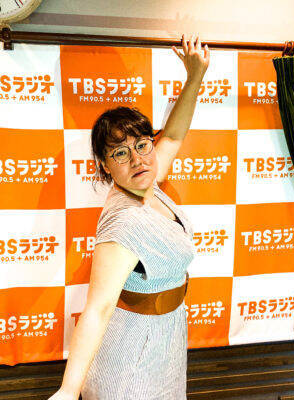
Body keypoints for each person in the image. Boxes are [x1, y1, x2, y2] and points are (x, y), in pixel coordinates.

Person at [49, 34, 210, 400]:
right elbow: (98, 308)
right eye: (120, 153)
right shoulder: (124, 222)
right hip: (132, 353)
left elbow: (174, 136)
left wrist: (195, 76)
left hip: (165, 339)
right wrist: (69, 390)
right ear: (105, 166)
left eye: (141, 145)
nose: (137, 158)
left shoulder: (146, 181)